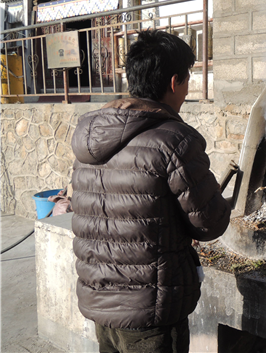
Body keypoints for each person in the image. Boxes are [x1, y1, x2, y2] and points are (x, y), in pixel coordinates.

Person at [70, 29, 231, 353]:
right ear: (175, 82)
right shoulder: (175, 140)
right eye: (188, 80)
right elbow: (209, 223)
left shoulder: (90, 136)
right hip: (152, 313)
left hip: (103, 307)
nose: (187, 90)